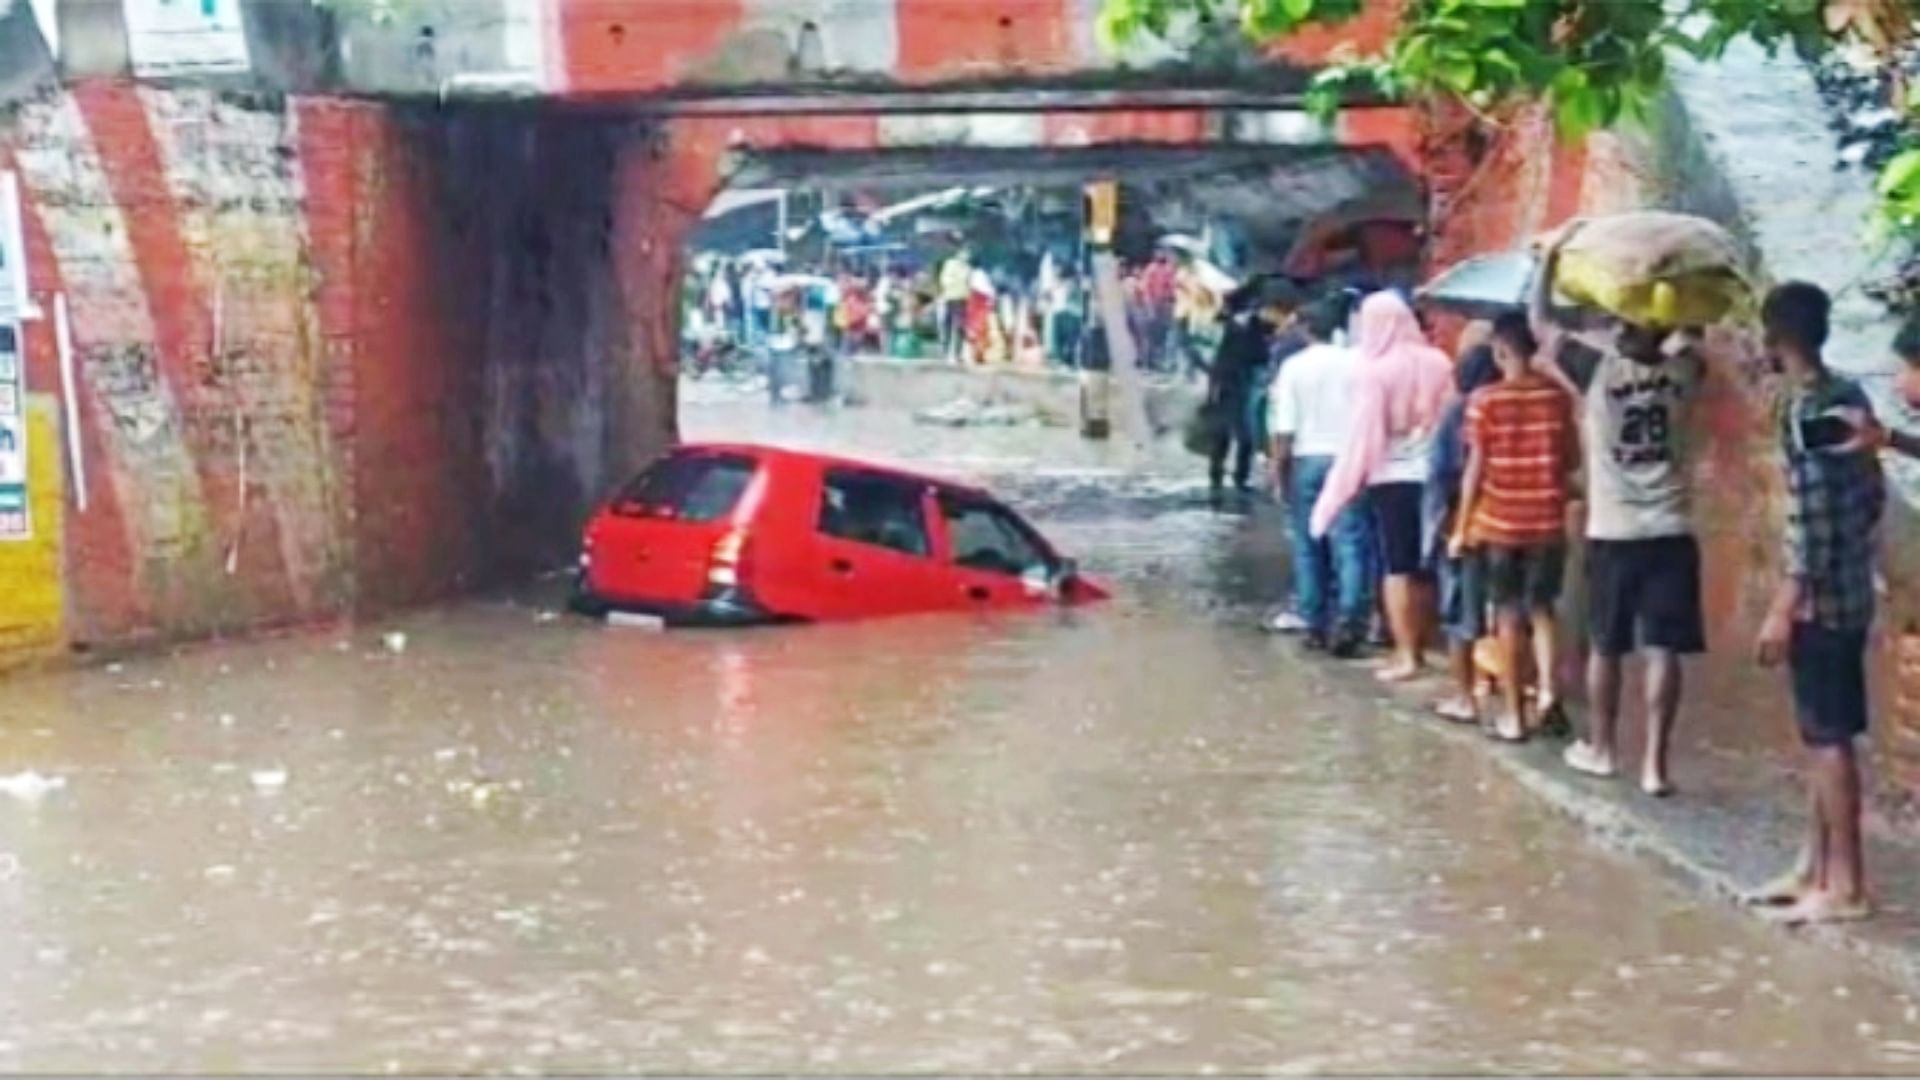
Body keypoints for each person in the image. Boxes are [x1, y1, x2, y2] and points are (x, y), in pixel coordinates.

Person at [1531, 223, 1708, 797]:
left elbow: (1543, 325)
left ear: (1623, 330)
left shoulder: (1599, 372)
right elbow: (1693, 328)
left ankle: (1603, 748)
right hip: (1672, 528)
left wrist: (1551, 259)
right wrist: (1667, 275)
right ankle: (1656, 764)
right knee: (1663, 648)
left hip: (1614, 530)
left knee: (1607, 645)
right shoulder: (1684, 371)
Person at [1747, 282, 1885, 925]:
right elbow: (1871, 494)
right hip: (1853, 588)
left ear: (1777, 340)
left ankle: (1846, 885)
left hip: (1821, 601)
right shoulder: (1849, 398)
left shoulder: (1806, 415)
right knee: (1821, 734)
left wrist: (1786, 601)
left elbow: (1811, 519)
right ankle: (1814, 865)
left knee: (1828, 740)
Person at [1310, 291, 1454, 682]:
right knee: (1427, 567)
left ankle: (1406, 654)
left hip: (1392, 478)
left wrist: (1338, 492)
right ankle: (1426, 645)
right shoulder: (1439, 362)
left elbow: (1365, 436)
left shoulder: (1373, 372)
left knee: (1397, 567)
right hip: (1437, 476)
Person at [1450, 312, 1580, 742]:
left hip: (1501, 523)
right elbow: (1572, 460)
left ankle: (1514, 716)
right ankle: (1548, 694)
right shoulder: (1557, 399)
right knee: (1543, 610)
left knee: (1506, 613)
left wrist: (1461, 524)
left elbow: (1475, 469)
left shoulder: (1484, 401)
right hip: (1547, 522)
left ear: (1500, 351)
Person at [1268, 295, 1372, 655]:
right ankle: (1350, 619)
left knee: (1308, 544)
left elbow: (1284, 429)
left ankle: (1314, 623)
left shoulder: (1293, 368)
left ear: (1306, 329)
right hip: (1347, 458)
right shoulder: (1356, 365)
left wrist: (1278, 472)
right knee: (1349, 542)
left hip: (1307, 460)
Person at [1426, 328, 1501, 725]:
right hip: (1513, 519)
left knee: (1462, 613)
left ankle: (1465, 696)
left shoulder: (1460, 410)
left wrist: (1438, 528)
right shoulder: (1512, 402)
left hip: (1467, 522)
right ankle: (1503, 688)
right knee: (1506, 609)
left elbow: (1441, 473)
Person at [1206, 280, 1293, 506]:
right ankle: (1221, 476)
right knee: (1225, 433)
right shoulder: (1232, 324)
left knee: (1241, 433)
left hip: (1242, 381)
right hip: (1230, 382)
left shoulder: (1255, 324)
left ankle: (1236, 477)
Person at [939, 248, 972, 361]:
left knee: (960, 327)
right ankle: (946, 350)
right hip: (951, 298)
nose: (966, 256)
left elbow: (969, 284)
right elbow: (944, 280)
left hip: (963, 299)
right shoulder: (950, 264)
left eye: (968, 255)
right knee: (948, 325)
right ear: (959, 254)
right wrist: (955, 282)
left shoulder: (968, 268)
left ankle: (958, 352)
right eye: (965, 254)